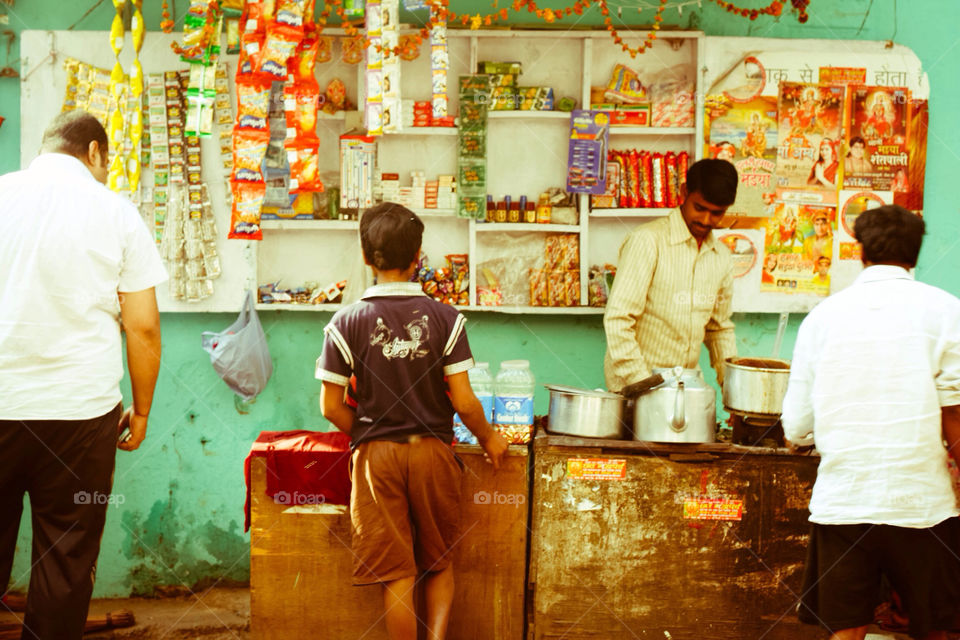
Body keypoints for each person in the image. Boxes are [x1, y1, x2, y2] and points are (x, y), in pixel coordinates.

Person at [0, 111, 166, 639]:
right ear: (94, 152)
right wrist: (140, 411)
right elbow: (142, 329)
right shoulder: (116, 212)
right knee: (65, 562)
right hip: (81, 415)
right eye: (106, 160)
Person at [315, 202, 508, 640]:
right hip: (433, 454)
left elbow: (329, 407)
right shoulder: (446, 319)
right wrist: (490, 437)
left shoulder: (345, 323)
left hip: (376, 460)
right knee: (438, 562)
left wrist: (369, 431)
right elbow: (463, 401)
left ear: (367, 258)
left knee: (397, 572)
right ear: (418, 257)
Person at [782, 204, 960, 640]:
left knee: (847, 630)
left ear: (860, 250)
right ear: (915, 254)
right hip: (922, 505)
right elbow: (955, 412)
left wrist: (804, 440)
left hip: (845, 502)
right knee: (936, 628)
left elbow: (796, 427)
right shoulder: (947, 311)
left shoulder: (822, 317)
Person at [604, 158, 738, 392]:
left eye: (717, 213)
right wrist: (644, 385)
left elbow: (719, 329)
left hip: (685, 389)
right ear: (684, 192)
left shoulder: (721, 256)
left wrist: (733, 389)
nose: (706, 220)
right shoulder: (647, 241)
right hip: (634, 387)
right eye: (700, 208)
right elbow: (618, 320)